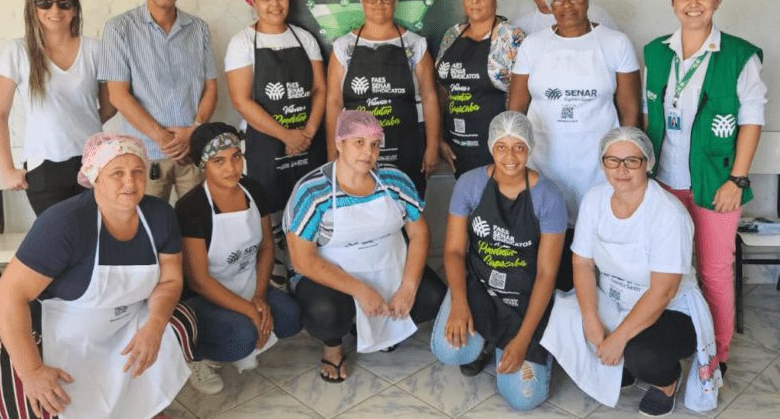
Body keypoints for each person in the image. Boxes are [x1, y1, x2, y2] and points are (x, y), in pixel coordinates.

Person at [0, 132, 196, 419]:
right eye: (116, 173)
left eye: (138, 171)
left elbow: (170, 280)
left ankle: (140, 408)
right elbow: (7, 297)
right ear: (94, 177)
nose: (130, 183)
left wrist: (155, 325)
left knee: (181, 321)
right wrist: (32, 371)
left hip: (122, 326)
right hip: (55, 333)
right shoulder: (65, 222)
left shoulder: (159, 215)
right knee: (27, 405)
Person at [541, 127, 721, 417]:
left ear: (648, 164)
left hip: (669, 310)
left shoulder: (667, 213)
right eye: (613, 160)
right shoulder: (595, 199)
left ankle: (665, 382)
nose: (621, 169)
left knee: (643, 355)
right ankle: (620, 363)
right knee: (560, 315)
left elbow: (664, 291)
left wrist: (618, 338)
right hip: (613, 297)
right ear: (603, 165)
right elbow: (582, 263)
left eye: (631, 161)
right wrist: (590, 319)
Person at [643, 0, 766, 375]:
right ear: (673, 3)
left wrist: (738, 180)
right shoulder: (656, 52)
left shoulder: (738, 54)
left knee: (714, 272)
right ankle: (666, 340)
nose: (693, 2)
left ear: (717, 1)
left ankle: (718, 353)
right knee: (664, 267)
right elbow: (649, 116)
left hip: (717, 183)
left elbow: (751, 120)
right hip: (663, 182)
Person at [284, 110, 447, 382]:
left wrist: (408, 286)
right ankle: (333, 347)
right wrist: (360, 290)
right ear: (339, 144)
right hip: (332, 277)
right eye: (358, 142)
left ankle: (373, 327)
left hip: (387, 266)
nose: (367, 152)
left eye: (374, 144)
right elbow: (303, 261)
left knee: (432, 296)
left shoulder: (394, 180)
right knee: (326, 313)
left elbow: (420, 233)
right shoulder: (313, 191)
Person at [508, 0, 641, 292]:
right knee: (548, 244)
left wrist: (628, 164)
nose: (567, 4)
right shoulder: (534, 46)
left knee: (596, 243)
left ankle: (595, 312)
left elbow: (630, 109)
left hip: (598, 167)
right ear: (548, 2)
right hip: (544, 164)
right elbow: (516, 109)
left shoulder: (615, 42)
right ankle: (552, 315)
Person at [431, 112, 566, 410]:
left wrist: (522, 340)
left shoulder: (549, 197)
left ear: (529, 148)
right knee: (451, 350)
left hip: (526, 295)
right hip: (481, 285)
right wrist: (459, 302)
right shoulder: (470, 184)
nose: (510, 156)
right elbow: (453, 252)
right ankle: (485, 343)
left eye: (518, 147)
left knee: (524, 398)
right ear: (491, 147)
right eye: (501, 147)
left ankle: (522, 346)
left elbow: (546, 273)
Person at [175, 123, 302, 395]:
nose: (231, 168)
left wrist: (259, 297)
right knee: (244, 336)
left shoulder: (254, 190)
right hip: (205, 295)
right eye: (218, 161)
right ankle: (197, 356)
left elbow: (268, 245)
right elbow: (199, 281)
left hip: (246, 281)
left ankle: (237, 330)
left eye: (236, 156)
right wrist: (249, 312)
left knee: (291, 318)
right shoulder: (191, 208)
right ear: (202, 165)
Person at [226, 0, 327, 287]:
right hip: (265, 146)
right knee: (267, 213)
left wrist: (307, 134)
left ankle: (307, 274)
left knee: (308, 209)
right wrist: (286, 135)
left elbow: (321, 90)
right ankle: (275, 279)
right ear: (252, 2)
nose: (274, 4)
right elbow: (242, 101)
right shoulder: (242, 42)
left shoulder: (304, 38)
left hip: (308, 140)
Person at [0, 0, 116, 216]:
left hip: (92, 163)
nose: (54, 9)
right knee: (58, 244)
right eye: (44, 3)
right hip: (42, 169)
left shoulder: (95, 50)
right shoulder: (17, 51)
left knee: (93, 241)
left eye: (64, 3)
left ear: (75, 9)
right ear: (33, 8)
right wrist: (7, 169)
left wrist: (81, 120)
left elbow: (111, 104)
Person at [99, 0, 218, 202]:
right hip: (147, 154)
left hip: (192, 151)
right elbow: (118, 95)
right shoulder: (119, 28)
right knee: (147, 228)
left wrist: (195, 130)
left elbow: (211, 88)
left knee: (197, 228)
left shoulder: (199, 28)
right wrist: (162, 138)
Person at [325, 0, 440, 200]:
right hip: (356, 148)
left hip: (408, 141)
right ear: (361, 0)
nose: (379, 2)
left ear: (395, 0)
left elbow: (429, 97)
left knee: (407, 207)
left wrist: (432, 147)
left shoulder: (415, 44)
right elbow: (334, 101)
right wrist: (332, 152)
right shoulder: (343, 46)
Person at [435, 0, 526, 178]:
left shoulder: (510, 37)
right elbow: (442, 90)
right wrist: (440, 138)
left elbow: (521, 98)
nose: (475, 1)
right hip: (456, 146)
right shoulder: (451, 35)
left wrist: (509, 146)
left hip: (497, 148)